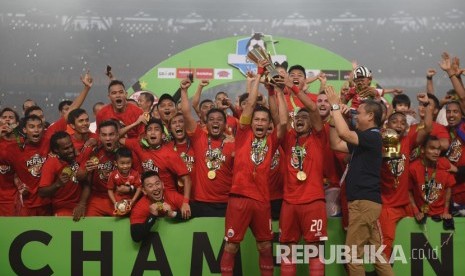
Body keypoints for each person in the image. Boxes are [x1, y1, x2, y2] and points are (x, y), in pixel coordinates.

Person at [220, 63, 287, 276]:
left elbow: (282, 121)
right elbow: (249, 106)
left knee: (265, 247)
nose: (259, 122)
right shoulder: (243, 134)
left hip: (262, 200)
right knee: (231, 246)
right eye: (256, 120)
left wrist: (275, 92)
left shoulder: (272, 140)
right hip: (239, 198)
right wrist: (258, 76)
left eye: (263, 120)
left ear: (268, 125)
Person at [326, 85, 394, 276]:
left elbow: (344, 134)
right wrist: (334, 119)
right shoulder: (364, 140)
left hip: (363, 203)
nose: (356, 115)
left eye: (360, 113)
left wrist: (335, 106)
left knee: (352, 256)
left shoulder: (372, 137)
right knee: (377, 256)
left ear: (371, 116)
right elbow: (336, 144)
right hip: (365, 203)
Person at [277, 74, 327, 276]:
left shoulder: (318, 137)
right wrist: (278, 91)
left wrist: (294, 88)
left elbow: (314, 109)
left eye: (304, 118)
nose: (300, 120)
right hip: (289, 203)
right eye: (297, 117)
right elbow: (280, 118)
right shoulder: (289, 139)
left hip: (313, 201)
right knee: (288, 250)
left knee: (314, 250)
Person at [379, 95, 433, 260]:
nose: (399, 125)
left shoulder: (408, 140)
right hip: (387, 205)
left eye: (403, 123)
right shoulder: (379, 141)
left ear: (407, 128)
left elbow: (428, 128)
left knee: (411, 241)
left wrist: (426, 105)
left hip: (405, 203)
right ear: (387, 124)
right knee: (386, 244)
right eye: (395, 122)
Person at [180, 79, 235, 217]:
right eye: (211, 119)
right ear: (206, 123)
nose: (215, 121)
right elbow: (186, 113)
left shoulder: (233, 144)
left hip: (226, 203)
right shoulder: (199, 138)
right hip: (201, 202)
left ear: (224, 124)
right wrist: (184, 91)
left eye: (219, 119)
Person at [120, 118, 192, 219]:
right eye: (149, 130)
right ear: (145, 135)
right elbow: (116, 137)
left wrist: (185, 202)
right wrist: (135, 123)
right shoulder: (139, 146)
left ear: (162, 135)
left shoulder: (170, 155)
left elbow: (187, 179)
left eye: (156, 129)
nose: (153, 132)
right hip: (148, 196)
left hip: (168, 195)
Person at [38, 131, 90, 220]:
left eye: (71, 146)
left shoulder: (77, 156)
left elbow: (87, 184)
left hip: (82, 203)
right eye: (66, 148)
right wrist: (57, 184)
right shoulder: (51, 163)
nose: (70, 150)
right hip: (62, 207)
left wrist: (82, 204)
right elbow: (41, 192)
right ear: (56, 150)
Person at [409, 136, 455, 225]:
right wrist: (415, 211)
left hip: (441, 217)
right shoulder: (413, 168)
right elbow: (408, 191)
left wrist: (446, 211)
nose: (436, 152)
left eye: (438, 149)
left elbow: (448, 190)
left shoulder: (444, 166)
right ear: (422, 149)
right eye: (432, 148)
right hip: (421, 217)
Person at [130, 171, 185, 242]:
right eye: (150, 186)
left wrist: (173, 214)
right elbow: (136, 237)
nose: (155, 188)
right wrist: (152, 216)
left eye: (157, 184)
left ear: (162, 184)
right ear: (144, 191)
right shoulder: (140, 207)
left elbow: (198, 211)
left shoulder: (172, 196)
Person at [107, 147, 142, 216]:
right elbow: (110, 190)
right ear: (116, 163)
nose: (125, 166)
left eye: (128, 163)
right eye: (122, 163)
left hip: (131, 203)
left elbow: (139, 188)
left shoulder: (135, 174)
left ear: (132, 162)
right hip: (118, 202)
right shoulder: (113, 175)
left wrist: (133, 200)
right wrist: (115, 203)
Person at [0, 108, 21, 216]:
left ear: (17, 124)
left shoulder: (21, 143)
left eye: (11, 118)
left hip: (13, 199)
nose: (7, 120)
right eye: (4, 117)